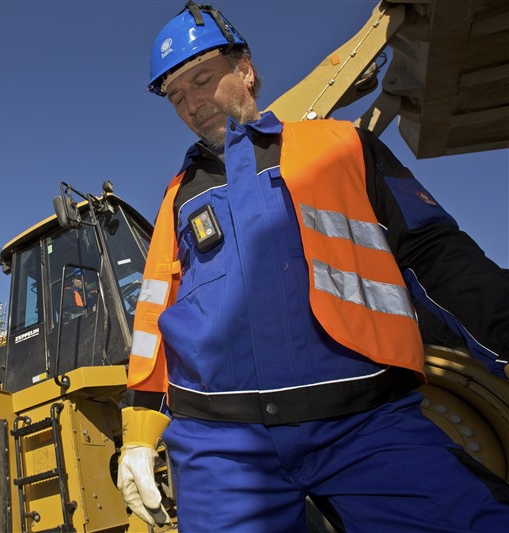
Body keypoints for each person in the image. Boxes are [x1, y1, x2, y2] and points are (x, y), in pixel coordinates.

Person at [116, 2, 509, 532]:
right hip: (220, 447)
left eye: (202, 80)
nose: (191, 104)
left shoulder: (342, 147)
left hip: (365, 421)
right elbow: (154, 315)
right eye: (176, 96)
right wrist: (139, 432)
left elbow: (432, 253)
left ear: (245, 70)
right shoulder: (179, 196)